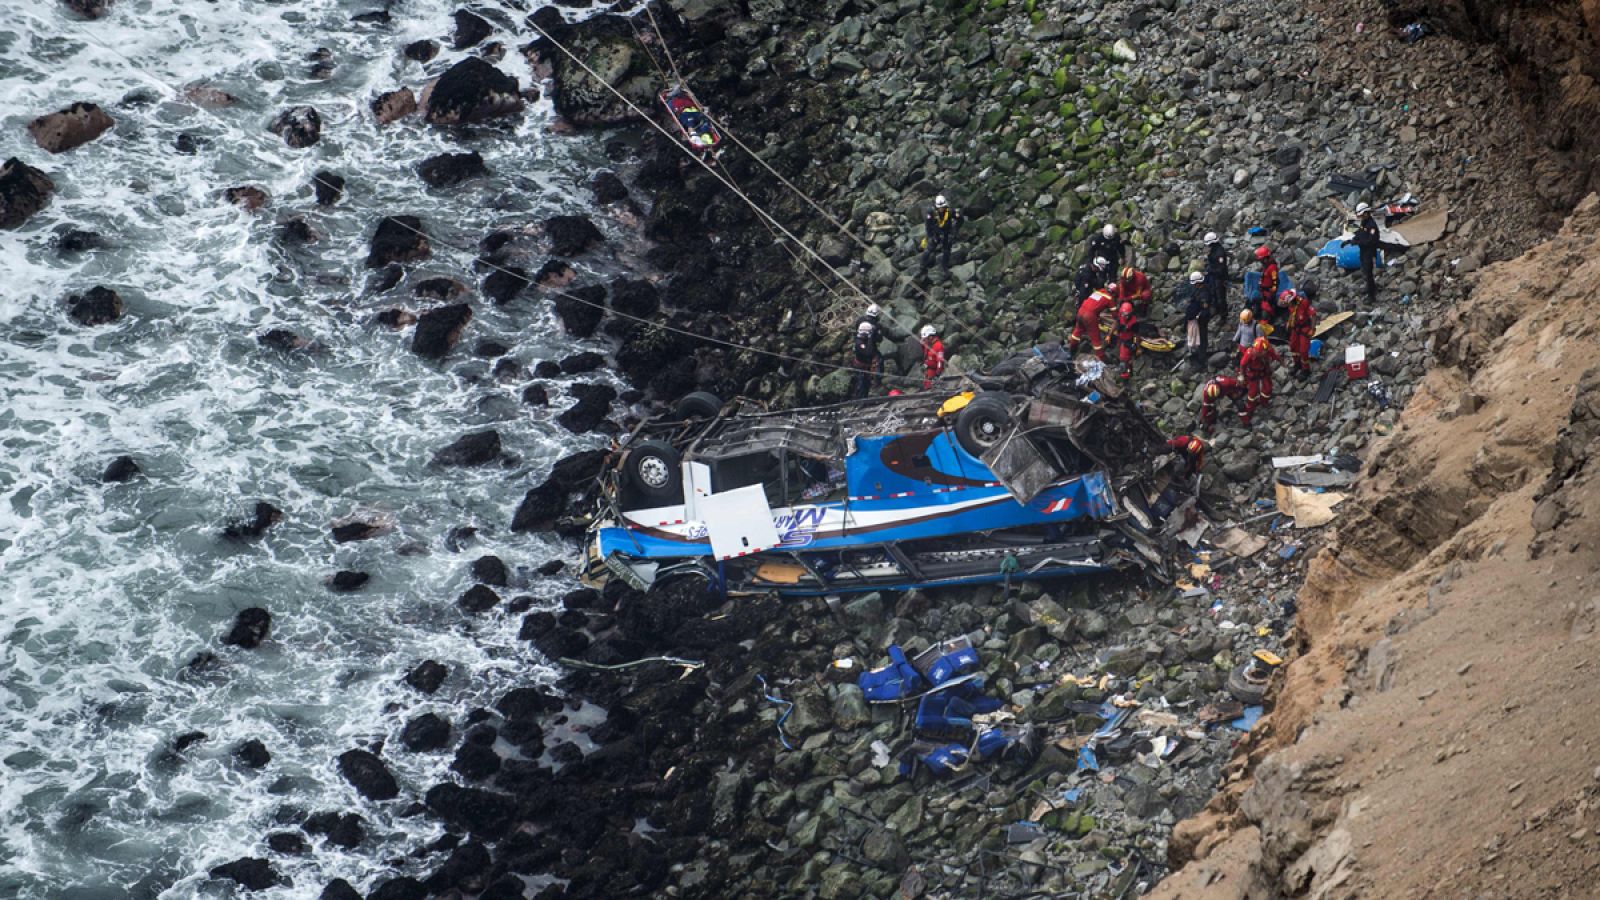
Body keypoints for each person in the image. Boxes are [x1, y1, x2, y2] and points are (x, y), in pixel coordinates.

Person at [1069, 286, 1115, 360]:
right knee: (1095, 337)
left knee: (1077, 331)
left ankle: (1072, 350)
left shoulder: (1097, 292)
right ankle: (1101, 357)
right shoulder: (1109, 298)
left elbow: (1093, 306)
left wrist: (1098, 318)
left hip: (1081, 311)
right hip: (1089, 316)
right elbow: (1115, 316)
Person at [1240, 335, 1281, 416]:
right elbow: (1242, 364)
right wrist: (1242, 375)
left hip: (1264, 371)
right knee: (1253, 392)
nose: (1263, 353)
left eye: (1264, 352)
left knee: (1268, 388)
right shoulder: (1250, 353)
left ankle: (1264, 402)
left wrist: (1283, 363)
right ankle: (1250, 407)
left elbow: (1276, 356)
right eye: (1260, 352)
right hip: (1253, 373)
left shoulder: (1268, 349)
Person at [849, 304, 883, 399]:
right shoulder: (876, 327)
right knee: (863, 381)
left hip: (863, 356)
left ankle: (865, 394)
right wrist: (872, 337)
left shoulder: (860, 321)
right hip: (864, 358)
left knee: (864, 381)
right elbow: (870, 351)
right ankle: (877, 381)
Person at [1349, 203, 1381, 304]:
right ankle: (1370, 287)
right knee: (1364, 270)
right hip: (1363, 250)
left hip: (1369, 251)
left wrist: (1358, 242)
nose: (1361, 217)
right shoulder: (1364, 222)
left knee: (1368, 272)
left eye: (1362, 214)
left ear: (1367, 213)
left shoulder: (1372, 226)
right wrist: (1351, 241)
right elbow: (1360, 233)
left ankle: (1371, 296)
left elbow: (1370, 241)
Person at [1282, 289, 1317, 377]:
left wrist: (1312, 329)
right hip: (1295, 329)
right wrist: (1288, 324)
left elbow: (1313, 315)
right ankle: (1297, 364)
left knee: (1303, 350)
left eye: (1287, 302)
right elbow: (1292, 315)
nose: (1286, 304)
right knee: (1293, 347)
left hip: (1304, 329)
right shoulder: (1291, 306)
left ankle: (1306, 369)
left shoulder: (1303, 303)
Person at [923, 195, 961, 269]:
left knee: (946, 252)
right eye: (939, 207)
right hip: (935, 233)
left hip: (946, 233)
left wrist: (955, 231)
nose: (941, 209)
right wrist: (931, 236)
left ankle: (944, 268)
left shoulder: (950, 211)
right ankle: (921, 267)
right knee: (929, 250)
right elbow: (928, 225)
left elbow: (960, 220)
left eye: (943, 207)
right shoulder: (931, 212)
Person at [1183, 271, 1211, 370]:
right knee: (1197, 336)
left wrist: (1199, 316)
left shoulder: (1204, 294)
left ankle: (1201, 359)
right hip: (1197, 318)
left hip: (1202, 319)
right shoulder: (1198, 290)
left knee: (1202, 337)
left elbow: (1205, 308)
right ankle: (1197, 352)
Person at [1203, 232, 1230, 317]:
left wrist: (1210, 270)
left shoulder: (1219, 253)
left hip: (1220, 278)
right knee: (1214, 293)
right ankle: (1217, 310)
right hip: (1214, 276)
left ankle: (1223, 315)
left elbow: (1221, 269)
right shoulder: (1214, 250)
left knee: (1221, 297)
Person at [1253, 246, 1280, 326]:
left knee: (1266, 313)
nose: (1260, 262)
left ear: (1265, 258)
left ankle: (1268, 321)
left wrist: (1271, 293)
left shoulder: (1272, 268)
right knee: (1255, 302)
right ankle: (1256, 316)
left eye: (1261, 260)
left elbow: (1275, 282)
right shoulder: (1266, 266)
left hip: (1268, 295)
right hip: (1264, 292)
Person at [1114, 301, 1139, 379]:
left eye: (1126, 315)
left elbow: (1137, 335)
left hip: (1128, 341)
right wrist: (1109, 335)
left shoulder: (1133, 323)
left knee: (1124, 357)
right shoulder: (1120, 317)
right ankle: (1125, 369)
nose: (1124, 316)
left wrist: (1138, 347)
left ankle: (1126, 374)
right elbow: (1116, 324)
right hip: (1120, 338)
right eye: (1123, 314)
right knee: (1120, 353)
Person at [920, 324, 945, 388]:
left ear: (930, 337)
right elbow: (925, 353)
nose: (924, 340)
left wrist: (937, 374)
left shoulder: (938, 346)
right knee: (926, 386)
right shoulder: (928, 344)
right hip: (927, 371)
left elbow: (940, 362)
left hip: (933, 372)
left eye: (925, 339)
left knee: (930, 388)